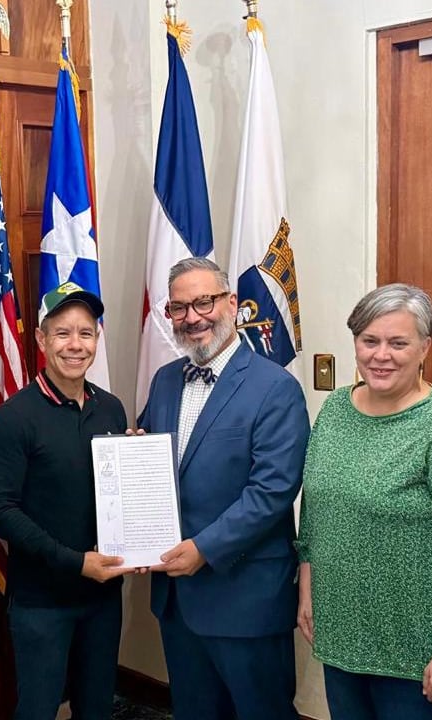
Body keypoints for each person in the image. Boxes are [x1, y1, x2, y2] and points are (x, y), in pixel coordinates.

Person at [295, 283, 432, 720]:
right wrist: (308, 589)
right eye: (369, 341)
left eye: (398, 343)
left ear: (424, 347)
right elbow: (317, 512)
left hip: (422, 654)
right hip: (344, 639)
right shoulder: (336, 410)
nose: (381, 355)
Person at [138, 257, 310, 720]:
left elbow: (272, 491)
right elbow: (153, 460)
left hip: (245, 597)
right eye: (179, 307)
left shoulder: (275, 387)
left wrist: (204, 548)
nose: (193, 317)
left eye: (204, 302)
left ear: (231, 303)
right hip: (176, 599)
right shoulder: (165, 380)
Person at [0, 282, 135, 720]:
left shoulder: (111, 409)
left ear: (96, 340)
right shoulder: (13, 419)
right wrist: (73, 561)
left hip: (103, 596)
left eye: (85, 333)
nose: (75, 345)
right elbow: (0, 510)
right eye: (63, 333)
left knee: (96, 707)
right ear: (41, 339)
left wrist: (136, 469)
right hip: (41, 602)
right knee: (38, 709)